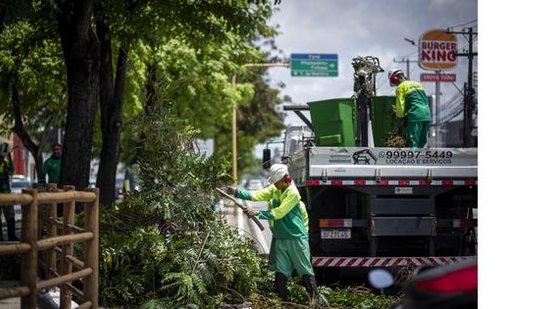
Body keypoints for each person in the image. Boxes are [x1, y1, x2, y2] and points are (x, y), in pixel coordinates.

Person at [225, 163, 317, 301]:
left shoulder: (292, 193)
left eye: (276, 182)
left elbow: (279, 212)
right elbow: (257, 194)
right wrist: (237, 192)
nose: (274, 185)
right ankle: (281, 302)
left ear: (284, 179)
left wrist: (258, 213)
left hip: (296, 237)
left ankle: (314, 301)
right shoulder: (275, 189)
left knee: (304, 269)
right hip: (281, 237)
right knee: (281, 270)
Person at [388, 68, 432, 148]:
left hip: (415, 114)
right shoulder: (417, 84)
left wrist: (399, 123)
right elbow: (419, 100)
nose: (396, 84)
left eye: (394, 82)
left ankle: (412, 159)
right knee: (422, 142)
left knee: (413, 142)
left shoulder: (400, 87)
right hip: (427, 114)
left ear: (397, 78)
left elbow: (400, 107)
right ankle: (419, 159)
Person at [0, 143, 18, 241]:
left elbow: (11, 171)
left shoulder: (6, 161)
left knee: (10, 215)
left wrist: (9, 158)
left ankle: (12, 236)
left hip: (6, 192)